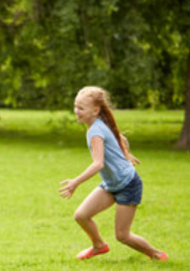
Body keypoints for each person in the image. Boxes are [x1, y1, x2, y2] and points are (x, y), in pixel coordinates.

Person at [59, 86, 168, 261]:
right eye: (75, 106)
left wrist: (76, 182)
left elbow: (98, 164)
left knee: (122, 235)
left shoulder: (95, 130)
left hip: (127, 184)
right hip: (111, 184)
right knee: (81, 216)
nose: (76, 111)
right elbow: (120, 137)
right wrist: (125, 153)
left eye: (81, 108)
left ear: (95, 110)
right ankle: (99, 246)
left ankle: (157, 255)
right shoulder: (99, 123)